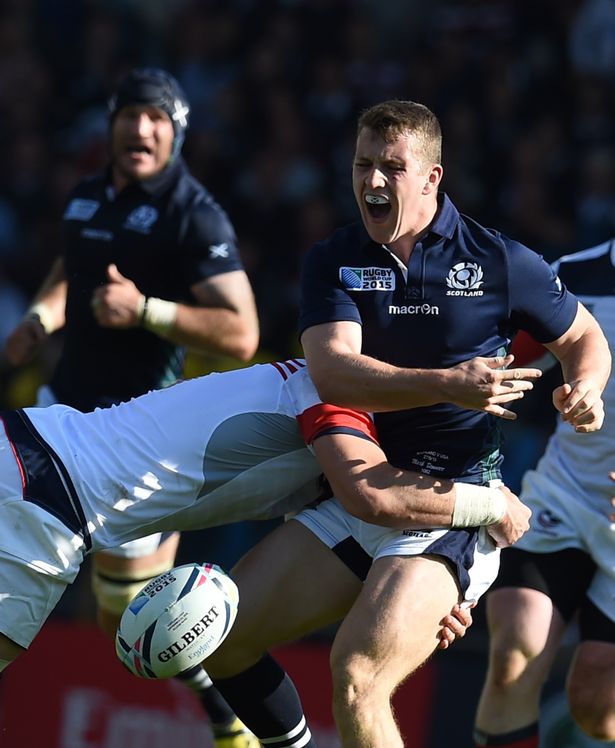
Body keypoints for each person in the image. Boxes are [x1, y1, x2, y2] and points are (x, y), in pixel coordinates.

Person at [200, 100, 611, 748]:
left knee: (357, 675)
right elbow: (334, 372)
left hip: (454, 507)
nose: (372, 182)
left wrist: (583, 387)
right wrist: (450, 384)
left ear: (431, 177)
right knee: (219, 636)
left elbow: (583, 337)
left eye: (391, 167)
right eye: (363, 164)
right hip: (359, 492)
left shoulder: (498, 261)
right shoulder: (334, 259)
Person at [4, 66, 260, 748]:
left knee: (125, 614)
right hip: (60, 418)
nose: (141, 128)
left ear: (176, 133)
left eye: (157, 118)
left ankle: (220, 703)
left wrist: (143, 309)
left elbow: (241, 331)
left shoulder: (193, 212)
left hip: (138, 439)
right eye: (130, 115)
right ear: (112, 122)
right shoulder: (88, 196)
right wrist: (40, 316)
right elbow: (72, 267)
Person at [0, 356, 534, 674]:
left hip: (28, 452)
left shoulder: (347, 430)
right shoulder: (333, 393)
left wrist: (440, 599)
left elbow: (361, 529)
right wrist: (491, 505)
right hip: (43, 501)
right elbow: (374, 495)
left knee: (229, 648)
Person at [473, 238, 615, 748]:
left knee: (597, 704)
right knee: (515, 651)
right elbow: (498, 361)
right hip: (565, 498)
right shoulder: (576, 273)